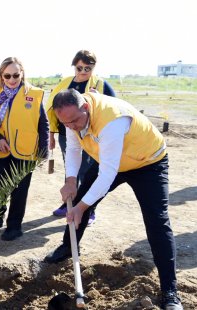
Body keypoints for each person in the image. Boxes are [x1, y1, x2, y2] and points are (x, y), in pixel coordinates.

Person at [44, 89, 182, 310]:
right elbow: (73, 148)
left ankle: (170, 292)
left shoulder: (112, 120)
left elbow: (107, 175)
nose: (71, 127)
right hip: (110, 159)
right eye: (65, 124)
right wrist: (71, 180)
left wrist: (81, 207)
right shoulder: (71, 118)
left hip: (148, 163)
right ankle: (68, 247)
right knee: (81, 199)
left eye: (74, 122)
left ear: (86, 108)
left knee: (157, 220)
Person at [0, 57, 49, 241]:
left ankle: (14, 227)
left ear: (22, 74)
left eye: (16, 75)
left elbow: (43, 123)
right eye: (7, 76)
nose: (12, 79)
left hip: (26, 150)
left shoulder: (34, 95)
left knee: (20, 190)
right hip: (1, 150)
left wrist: (44, 149)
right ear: (1, 76)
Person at [48, 50, 117, 224]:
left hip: (92, 135)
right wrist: (52, 134)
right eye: (80, 67)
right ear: (74, 67)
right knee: (71, 170)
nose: (83, 71)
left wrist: (98, 99)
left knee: (88, 171)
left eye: (88, 68)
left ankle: (89, 209)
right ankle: (68, 204)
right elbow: (52, 107)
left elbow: (113, 108)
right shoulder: (65, 84)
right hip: (68, 133)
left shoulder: (101, 85)